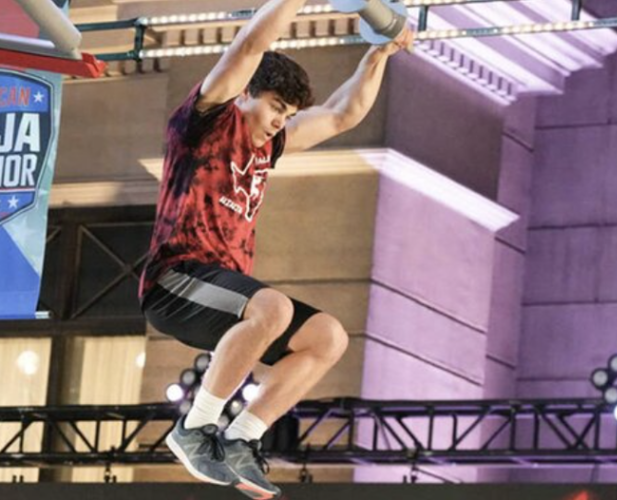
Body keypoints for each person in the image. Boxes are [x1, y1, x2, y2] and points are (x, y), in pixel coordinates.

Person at [138, 1, 415, 498]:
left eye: (287, 115)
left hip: (226, 297)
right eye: (273, 109)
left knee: (328, 337)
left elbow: (341, 114)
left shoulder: (271, 146)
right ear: (246, 93)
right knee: (274, 307)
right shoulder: (205, 119)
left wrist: (379, 54)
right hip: (175, 281)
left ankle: (243, 436)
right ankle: (194, 429)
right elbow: (250, 46)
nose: (278, 122)